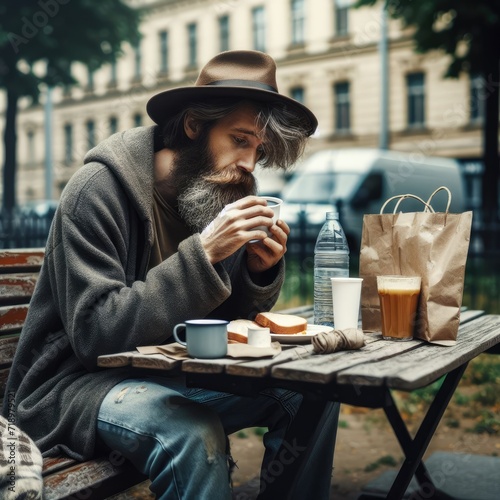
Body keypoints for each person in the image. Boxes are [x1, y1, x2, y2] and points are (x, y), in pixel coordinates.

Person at [3, 50, 339, 499]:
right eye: (240, 140)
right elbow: (97, 334)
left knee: (310, 394)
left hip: (168, 375)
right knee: (190, 430)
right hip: (74, 387)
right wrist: (204, 255)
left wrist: (258, 273)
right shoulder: (97, 191)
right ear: (194, 126)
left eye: (257, 150)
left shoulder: (218, 192)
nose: (249, 165)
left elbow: (227, 323)